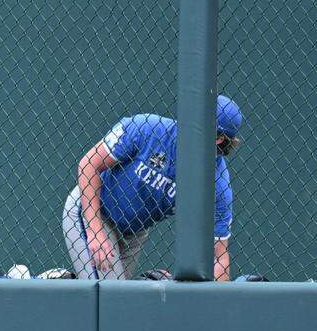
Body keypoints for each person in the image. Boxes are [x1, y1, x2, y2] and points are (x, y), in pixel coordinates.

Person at [62, 95, 243, 281]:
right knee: (111, 300)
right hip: (94, 211)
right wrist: (95, 230)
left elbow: (219, 256)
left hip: (134, 233)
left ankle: (59, 284)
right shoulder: (147, 128)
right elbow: (88, 165)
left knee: (118, 302)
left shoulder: (217, 184)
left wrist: (217, 303)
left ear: (219, 139)